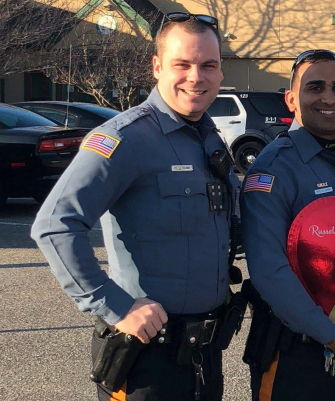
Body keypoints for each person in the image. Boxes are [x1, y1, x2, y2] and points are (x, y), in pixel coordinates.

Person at [30, 13, 238, 400]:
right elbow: (55, 226)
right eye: (182, 64)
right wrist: (117, 307)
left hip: (205, 354)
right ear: (157, 67)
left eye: (208, 65)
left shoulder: (208, 138)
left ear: (220, 72)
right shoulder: (124, 138)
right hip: (145, 359)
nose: (196, 77)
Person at [240, 49, 335, 401]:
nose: (329, 98)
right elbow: (268, 270)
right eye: (314, 87)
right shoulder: (273, 169)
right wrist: (333, 337)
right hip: (293, 351)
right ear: (291, 99)